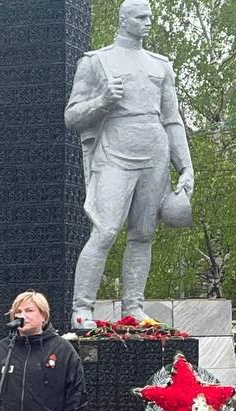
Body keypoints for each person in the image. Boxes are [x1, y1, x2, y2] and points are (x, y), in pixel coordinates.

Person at [65, 0, 194, 329]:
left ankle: (133, 307)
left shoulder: (160, 65)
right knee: (105, 230)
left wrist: (186, 166)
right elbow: (72, 116)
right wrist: (103, 100)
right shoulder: (96, 62)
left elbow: (172, 118)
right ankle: (82, 308)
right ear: (124, 20)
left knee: (143, 235)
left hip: (155, 152)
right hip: (115, 152)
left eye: (150, 16)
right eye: (140, 16)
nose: (148, 22)